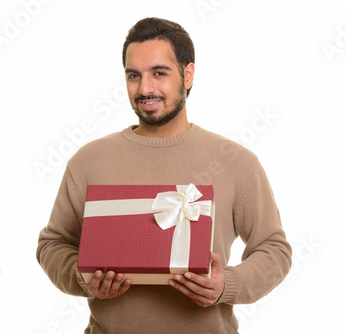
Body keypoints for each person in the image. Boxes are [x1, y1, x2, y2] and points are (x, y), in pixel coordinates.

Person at [36, 17, 292, 334]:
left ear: (187, 75)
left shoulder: (236, 162)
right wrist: (82, 276)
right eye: (134, 76)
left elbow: (274, 250)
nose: (145, 89)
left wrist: (227, 284)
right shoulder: (88, 161)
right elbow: (53, 244)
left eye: (159, 73)